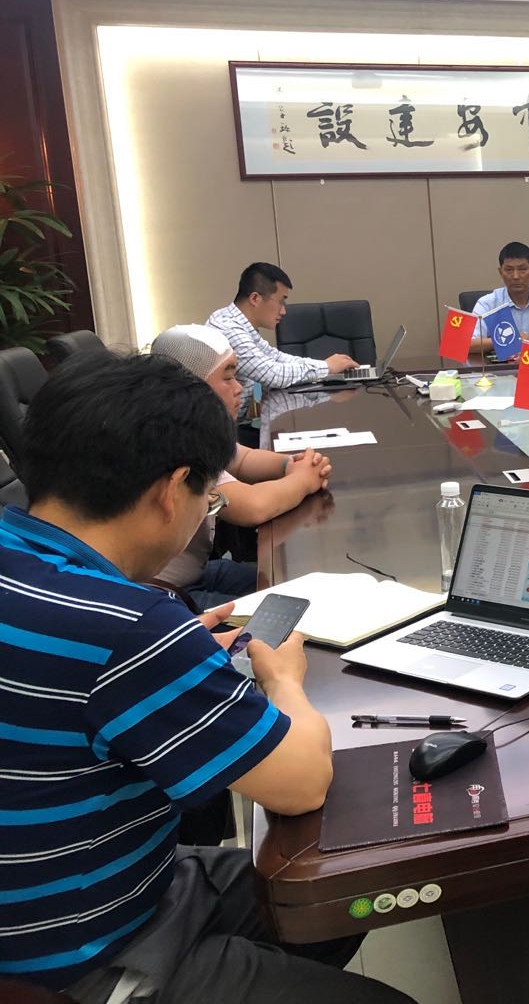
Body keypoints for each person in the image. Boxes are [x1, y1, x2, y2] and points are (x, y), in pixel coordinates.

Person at [0, 353, 410, 1003]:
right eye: (209, 498)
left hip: (85, 887)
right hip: (80, 953)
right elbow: (302, 783)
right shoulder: (131, 629)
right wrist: (283, 677)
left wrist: (176, 650)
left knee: (330, 897)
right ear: (171, 491)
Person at [149, 325, 333, 609]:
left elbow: (241, 458)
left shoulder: (195, 428)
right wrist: (303, 480)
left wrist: (289, 464)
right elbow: (253, 507)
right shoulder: (178, 441)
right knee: (289, 613)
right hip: (168, 595)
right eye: (228, 377)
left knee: (297, 591)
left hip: (199, 573)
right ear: (191, 387)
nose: (239, 388)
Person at [207, 262, 359, 395]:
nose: (283, 311)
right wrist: (326, 367)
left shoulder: (238, 322)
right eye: (281, 302)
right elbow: (273, 375)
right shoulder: (229, 328)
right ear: (255, 299)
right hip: (237, 419)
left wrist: (325, 366)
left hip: (251, 411)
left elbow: (276, 358)